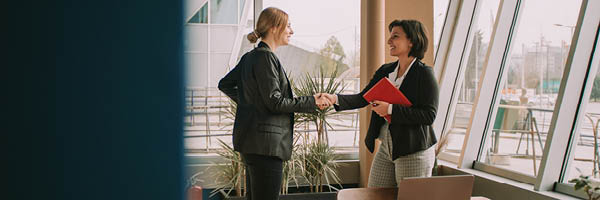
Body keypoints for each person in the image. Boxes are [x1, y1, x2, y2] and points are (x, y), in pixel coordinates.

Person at [218, 7, 331, 200]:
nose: (291, 31)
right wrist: (312, 101)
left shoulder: (250, 57)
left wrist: (251, 103)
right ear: (274, 28)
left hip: (253, 145)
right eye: (288, 26)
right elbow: (276, 102)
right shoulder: (266, 57)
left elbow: (225, 84)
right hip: (266, 147)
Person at [321, 19, 439, 187]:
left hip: (414, 150)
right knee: (375, 195)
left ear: (412, 41)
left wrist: (390, 109)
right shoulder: (386, 70)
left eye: (395, 36)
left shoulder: (424, 74)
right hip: (387, 147)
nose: (389, 41)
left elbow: (429, 115)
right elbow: (363, 97)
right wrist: (334, 98)